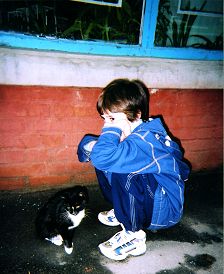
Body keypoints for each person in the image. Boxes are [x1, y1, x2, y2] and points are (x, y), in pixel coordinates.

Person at [77, 78, 190, 261]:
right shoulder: (138, 131)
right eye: (104, 118)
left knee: (122, 167)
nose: (107, 125)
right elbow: (91, 152)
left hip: (163, 214)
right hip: (154, 202)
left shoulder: (145, 141)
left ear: (136, 115)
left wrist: (101, 146)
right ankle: (124, 211)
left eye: (112, 119)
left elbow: (103, 156)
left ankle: (134, 235)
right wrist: (95, 146)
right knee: (109, 157)